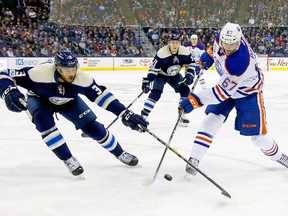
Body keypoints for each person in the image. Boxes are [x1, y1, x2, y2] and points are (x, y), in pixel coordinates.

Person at [0, 50, 148, 177]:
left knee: (93, 128)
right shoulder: (38, 73)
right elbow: (4, 74)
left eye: (73, 68)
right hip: (39, 99)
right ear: (57, 68)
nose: (71, 72)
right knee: (43, 122)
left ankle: (120, 153)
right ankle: (68, 158)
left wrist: (125, 114)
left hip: (68, 101)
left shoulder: (83, 79)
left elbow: (103, 97)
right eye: (66, 69)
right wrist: (8, 92)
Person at [179, 22, 288, 176]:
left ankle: (279, 157)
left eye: (233, 44)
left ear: (239, 40)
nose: (229, 48)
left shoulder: (240, 61)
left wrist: (193, 100)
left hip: (247, 93)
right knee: (211, 120)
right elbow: (216, 49)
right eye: (226, 44)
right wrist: (209, 55)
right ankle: (194, 158)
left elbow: (219, 94)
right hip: (228, 85)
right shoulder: (222, 37)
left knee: (258, 138)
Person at [141, 34, 196, 127]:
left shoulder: (185, 52)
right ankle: (143, 116)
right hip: (160, 75)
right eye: (172, 43)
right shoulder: (162, 53)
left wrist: (189, 75)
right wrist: (148, 80)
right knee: (156, 93)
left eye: (177, 43)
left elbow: (190, 64)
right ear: (169, 43)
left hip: (174, 75)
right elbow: (153, 69)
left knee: (185, 90)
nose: (175, 45)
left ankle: (181, 114)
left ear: (179, 43)